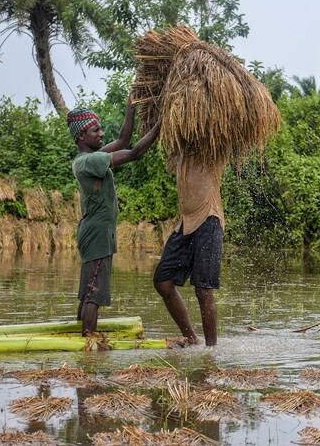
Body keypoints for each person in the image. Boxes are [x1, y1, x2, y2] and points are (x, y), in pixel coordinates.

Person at [69, 103, 161, 336]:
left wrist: (130, 108)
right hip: (97, 233)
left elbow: (122, 141)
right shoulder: (87, 161)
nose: (101, 134)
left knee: (90, 288)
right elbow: (133, 153)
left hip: (99, 232)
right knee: (94, 291)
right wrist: (160, 126)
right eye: (95, 131)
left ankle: (84, 334)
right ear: (81, 135)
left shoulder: (94, 156)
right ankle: (89, 342)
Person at [152, 152, 226, 346]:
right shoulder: (180, 151)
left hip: (210, 218)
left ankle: (211, 351)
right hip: (186, 223)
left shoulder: (211, 149)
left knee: (203, 289)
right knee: (163, 281)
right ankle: (192, 338)